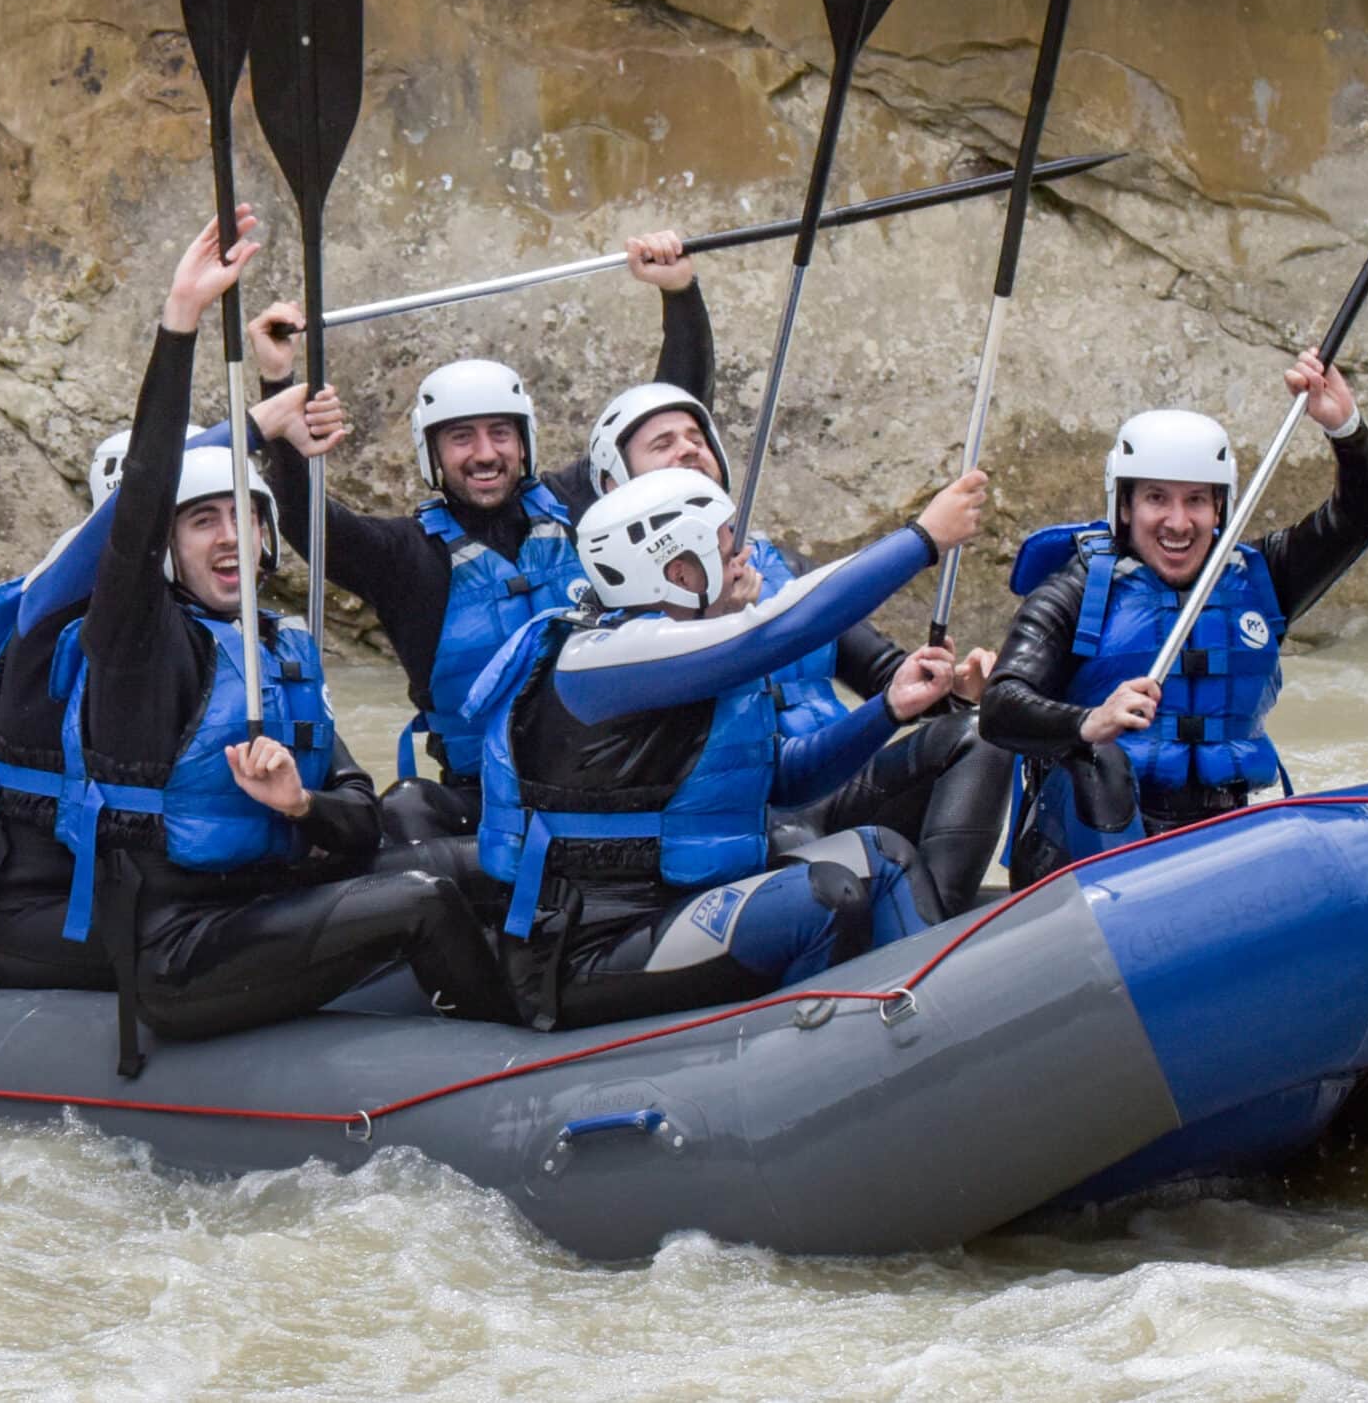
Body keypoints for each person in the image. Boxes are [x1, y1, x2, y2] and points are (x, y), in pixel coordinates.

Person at [0, 207, 511, 1074]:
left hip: (255, 898)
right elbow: (140, 499)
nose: (227, 539)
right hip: (173, 942)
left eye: (245, 519)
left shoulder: (283, 649)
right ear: (169, 549)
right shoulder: (140, 645)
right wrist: (182, 326)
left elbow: (356, 816)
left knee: (477, 863)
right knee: (427, 900)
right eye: (202, 521)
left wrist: (299, 807)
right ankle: (528, 1064)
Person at [461, 463, 988, 1030]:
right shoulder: (603, 660)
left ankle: (942, 1034)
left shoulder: (688, 652)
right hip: (591, 945)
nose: (747, 560)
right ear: (679, 572)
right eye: (727, 548)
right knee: (823, 896)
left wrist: (888, 710)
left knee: (879, 854)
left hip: (676, 906)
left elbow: (786, 782)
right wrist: (922, 539)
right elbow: (782, 629)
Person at [244, 230, 714, 836]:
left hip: (616, 779)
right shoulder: (404, 558)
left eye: (500, 432)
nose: (485, 452)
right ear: (432, 452)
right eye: (462, 437)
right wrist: (277, 388)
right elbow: (306, 520)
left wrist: (679, 294)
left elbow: (666, 422)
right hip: (483, 804)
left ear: (525, 442)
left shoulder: (586, 506)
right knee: (407, 809)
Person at [584, 382, 1016, 915]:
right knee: (792, 838)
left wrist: (950, 690)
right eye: (663, 443)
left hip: (832, 774)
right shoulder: (621, 608)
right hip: (746, 815)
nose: (689, 449)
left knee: (980, 736)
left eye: (697, 436)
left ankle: (940, 932)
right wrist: (923, 537)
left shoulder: (775, 567)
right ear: (616, 483)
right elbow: (763, 641)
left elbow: (884, 673)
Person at [979, 349, 1368, 878]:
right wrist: (1090, 720)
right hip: (1094, 840)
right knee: (1101, 761)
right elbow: (999, 707)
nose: (1178, 523)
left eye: (1196, 500)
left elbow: (1365, 516)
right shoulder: (1074, 590)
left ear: (1219, 508)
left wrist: (1345, 428)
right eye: (1158, 498)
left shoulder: (1261, 578)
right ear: (1126, 505)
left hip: (1217, 838)